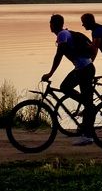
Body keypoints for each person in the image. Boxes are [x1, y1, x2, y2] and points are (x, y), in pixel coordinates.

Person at [41, 13, 95, 145]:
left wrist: (50, 73)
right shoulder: (65, 34)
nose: (50, 26)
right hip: (84, 67)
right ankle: (87, 106)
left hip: (84, 69)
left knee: (65, 88)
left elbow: (59, 55)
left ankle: (88, 135)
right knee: (73, 92)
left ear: (53, 25)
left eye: (51, 23)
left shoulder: (62, 35)